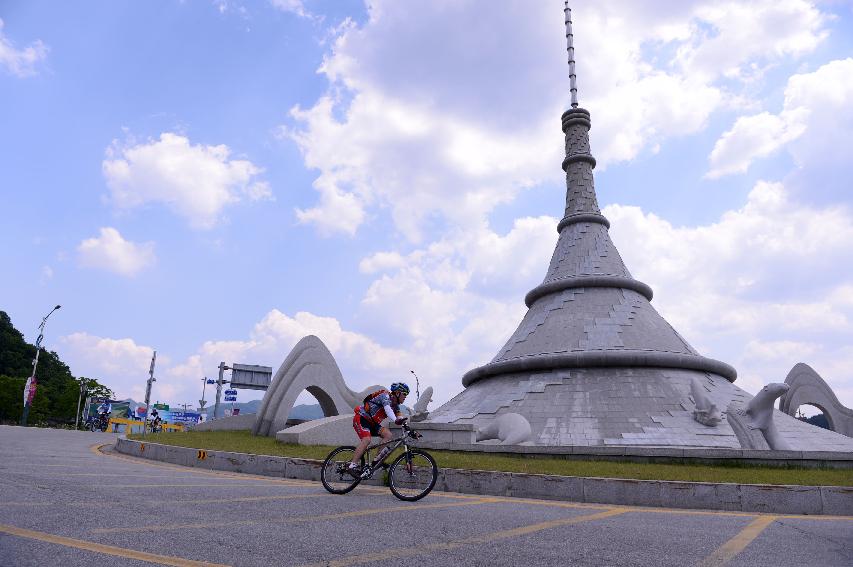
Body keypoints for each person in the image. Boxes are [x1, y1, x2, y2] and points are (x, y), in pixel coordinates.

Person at [349, 382, 410, 477]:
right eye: (404, 394)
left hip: (372, 423)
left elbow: (401, 419)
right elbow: (387, 409)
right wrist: (395, 420)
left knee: (388, 435)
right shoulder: (385, 396)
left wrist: (410, 430)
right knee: (367, 440)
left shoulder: (396, 406)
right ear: (397, 393)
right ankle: (352, 465)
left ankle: (376, 461)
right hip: (361, 418)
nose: (405, 397)